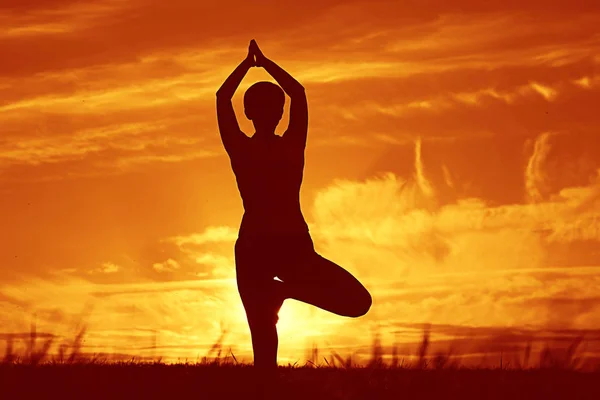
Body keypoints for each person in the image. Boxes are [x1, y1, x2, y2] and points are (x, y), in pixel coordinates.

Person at [216, 40, 372, 373]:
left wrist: (247, 65)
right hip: (283, 242)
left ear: (249, 113)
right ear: (280, 112)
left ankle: (282, 292)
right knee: (354, 303)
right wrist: (265, 63)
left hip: (263, 244)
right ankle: (284, 294)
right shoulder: (290, 146)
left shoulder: (242, 150)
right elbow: (298, 93)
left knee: (263, 335)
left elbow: (222, 98)